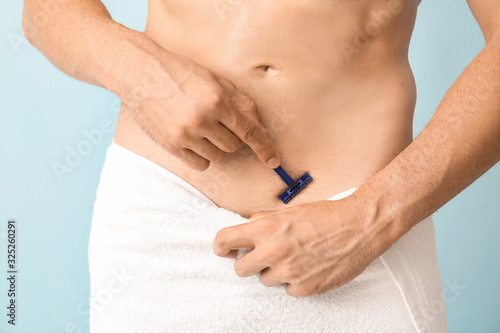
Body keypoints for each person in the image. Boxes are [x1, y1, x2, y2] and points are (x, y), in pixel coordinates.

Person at [23, 0, 499, 331]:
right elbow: (44, 12)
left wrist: (374, 216)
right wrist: (139, 72)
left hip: (360, 240)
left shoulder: (369, 226)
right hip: (162, 220)